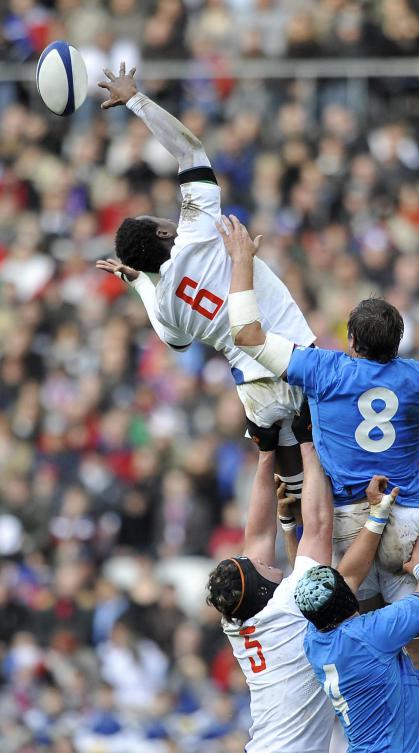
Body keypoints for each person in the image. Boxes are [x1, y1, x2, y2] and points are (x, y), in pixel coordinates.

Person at [217, 213, 419, 753]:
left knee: (356, 642)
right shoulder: (418, 377)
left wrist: (242, 262)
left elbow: (246, 334)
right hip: (407, 523)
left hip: (345, 527)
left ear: (351, 341)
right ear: (399, 342)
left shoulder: (325, 370)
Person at [95, 62, 316, 501]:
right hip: (293, 358)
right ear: (161, 232)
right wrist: (136, 99)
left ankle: (302, 554)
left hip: (254, 393)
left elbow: (173, 342)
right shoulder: (196, 231)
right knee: (331, 468)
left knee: (292, 492)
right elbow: (191, 152)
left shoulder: (163, 305)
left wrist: (139, 283)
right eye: (157, 217)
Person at [206, 406, 399, 753]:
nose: (262, 558)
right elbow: (319, 526)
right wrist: (307, 442)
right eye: (257, 566)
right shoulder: (283, 607)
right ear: (262, 588)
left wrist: (266, 455)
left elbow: (258, 539)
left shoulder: (241, 612)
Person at [294, 535, 419, 753]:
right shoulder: (370, 634)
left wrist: (377, 519)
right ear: (347, 598)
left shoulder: (313, 640)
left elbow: (350, 577)